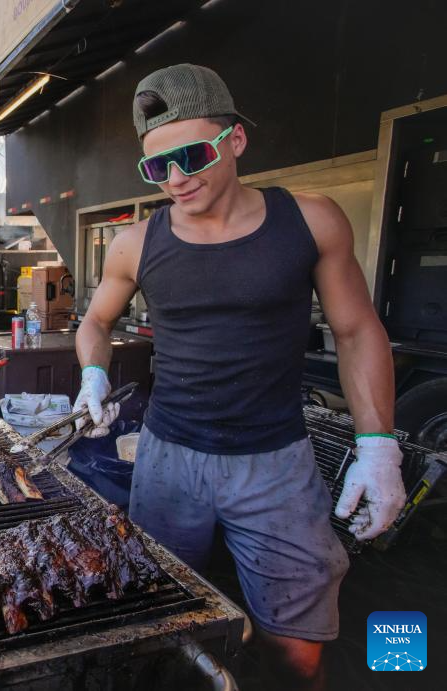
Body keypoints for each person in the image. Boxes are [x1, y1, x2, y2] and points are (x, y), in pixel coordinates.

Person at [74, 64, 405, 690]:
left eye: (191, 155)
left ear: (236, 141)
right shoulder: (134, 244)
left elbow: (359, 331)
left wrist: (378, 447)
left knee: (297, 649)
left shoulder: (310, 221)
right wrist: (93, 374)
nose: (175, 179)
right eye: (156, 168)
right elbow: (93, 322)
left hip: (275, 463)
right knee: (158, 623)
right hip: (168, 460)